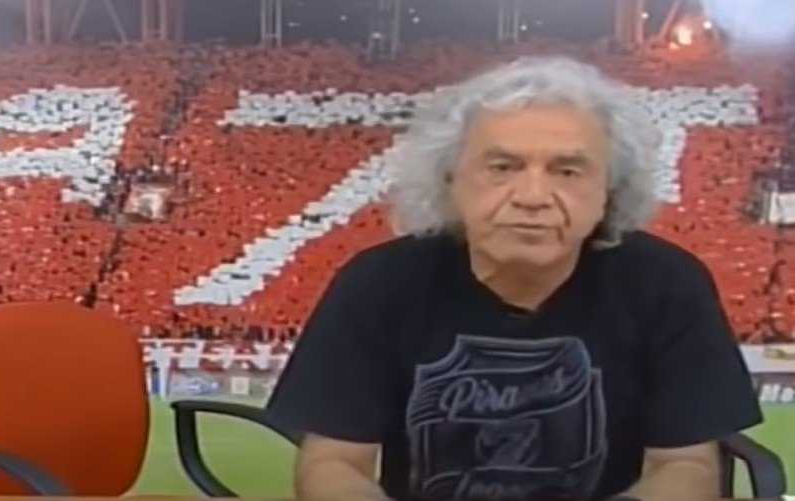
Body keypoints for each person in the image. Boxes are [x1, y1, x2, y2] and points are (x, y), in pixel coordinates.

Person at [267, 57, 762, 501]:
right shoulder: (377, 283)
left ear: (608, 192)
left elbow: (687, 468)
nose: (532, 197)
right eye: (502, 167)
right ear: (451, 181)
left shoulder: (668, 284)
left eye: (568, 172)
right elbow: (333, 464)